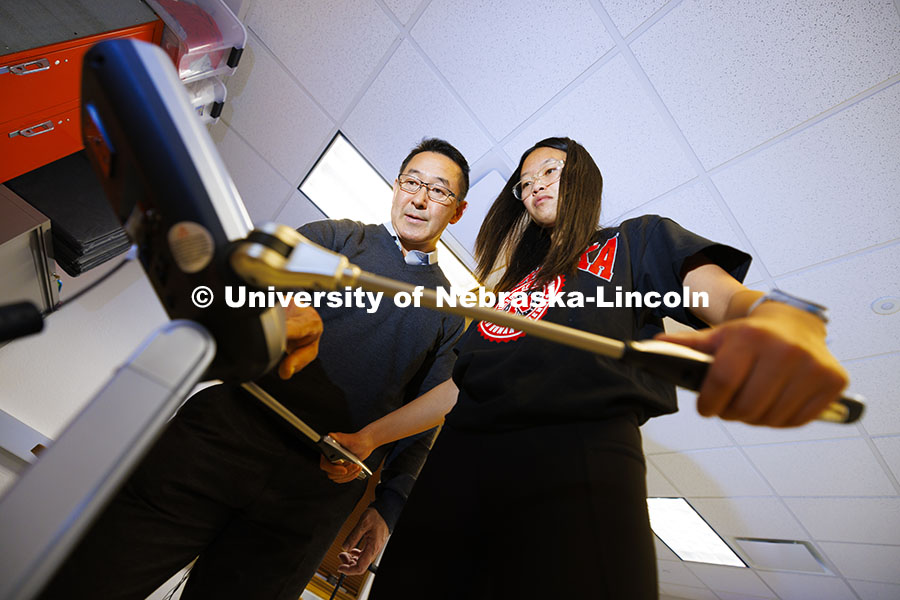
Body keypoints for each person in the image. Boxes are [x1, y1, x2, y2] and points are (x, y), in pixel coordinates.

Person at [324, 137, 848, 599]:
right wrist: (370, 437)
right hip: (457, 469)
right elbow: (460, 389)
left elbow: (717, 293)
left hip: (576, 456)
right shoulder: (505, 294)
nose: (535, 186)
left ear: (583, 177)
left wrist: (760, 316)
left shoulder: (631, 242)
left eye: (550, 170)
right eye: (524, 183)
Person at [38, 138, 470, 599]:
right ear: (396, 185)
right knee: (94, 575)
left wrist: (389, 506)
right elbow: (252, 276)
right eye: (412, 182)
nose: (420, 199)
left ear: (457, 211)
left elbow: (423, 423)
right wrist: (274, 307)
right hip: (224, 436)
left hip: (315, 492)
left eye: (439, 191)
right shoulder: (336, 238)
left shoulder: (447, 312)